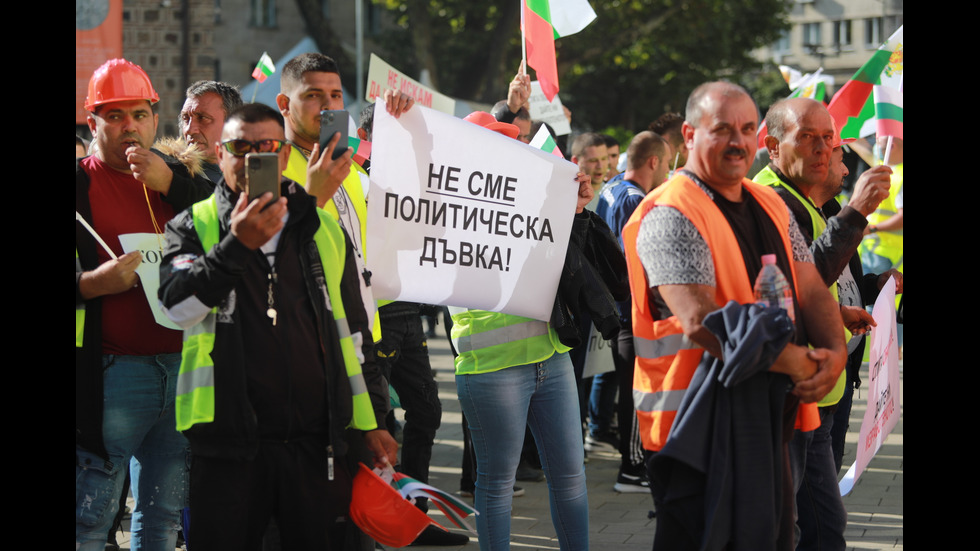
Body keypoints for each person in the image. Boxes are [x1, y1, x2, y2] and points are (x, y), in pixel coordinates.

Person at [158, 103, 398, 549]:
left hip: (314, 444)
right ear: (220, 153)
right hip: (227, 445)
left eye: (265, 147)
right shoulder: (193, 225)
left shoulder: (320, 227)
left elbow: (355, 337)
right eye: (239, 147)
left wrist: (372, 422)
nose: (252, 159)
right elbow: (178, 309)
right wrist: (236, 246)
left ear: (285, 155)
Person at [622, 82, 847, 550]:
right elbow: (700, 318)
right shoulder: (669, 211)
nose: (738, 142)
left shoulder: (768, 203)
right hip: (692, 428)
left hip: (770, 416)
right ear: (688, 135)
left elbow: (809, 284)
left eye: (747, 129)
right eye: (722, 129)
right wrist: (799, 362)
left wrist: (835, 351)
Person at [76, 58, 212, 550]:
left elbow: (233, 225)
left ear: (156, 119)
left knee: (162, 520)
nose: (128, 125)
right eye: (113, 115)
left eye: (138, 113)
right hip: (112, 375)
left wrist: (172, 183)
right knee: (91, 519)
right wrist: (91, 284)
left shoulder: (181, 180)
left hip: (182, 370)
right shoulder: (79, 185)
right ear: (93, 123)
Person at [452, 111, 601, 551]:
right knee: (496, 485)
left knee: (571, 477)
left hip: (550, 358)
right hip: (492, 369)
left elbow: (567, 266)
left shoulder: (531, 198)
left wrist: (573, 212)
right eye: (498, 142)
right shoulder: (448, 208)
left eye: (511, 142)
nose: (509, 150)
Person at [754, 97, 891, 550]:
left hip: (821, 390)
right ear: (773, 146)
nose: (823, 149)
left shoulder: (816, 204)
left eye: (827, 138)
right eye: (808, 137)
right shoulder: (770, 201)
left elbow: (829, 287)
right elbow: (798, 284)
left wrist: (869, 292)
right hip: (788, 395)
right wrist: (855, 214)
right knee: (785, 529)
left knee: (824, 529)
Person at [593, 131, 671, 493]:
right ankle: (633, 468)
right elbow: (639, 261)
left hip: (619, 310)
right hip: (632, 313)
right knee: (637, 393)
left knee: (631, 391)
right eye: (668, 164)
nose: (669, 173)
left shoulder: (611, 188)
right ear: (653, 162)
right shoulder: (636, 200)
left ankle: (633, 464)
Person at [177, 80, 244, 183]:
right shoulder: (172, 177)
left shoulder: (256, 179)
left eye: (202, 118)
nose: (189, 130)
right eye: (186, 118)